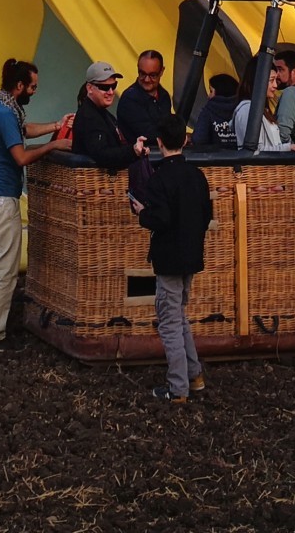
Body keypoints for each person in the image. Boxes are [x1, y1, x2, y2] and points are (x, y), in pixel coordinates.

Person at [0, 59, 73, 352]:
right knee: (6, 269)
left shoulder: (4, 107)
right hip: (1, 201)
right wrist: (53, 145)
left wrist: (56, 126)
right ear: (19, 86)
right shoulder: (5, 113)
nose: (34, 91)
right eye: (32, 86)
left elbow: (24, 130)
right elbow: (21, 157)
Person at [133, 118, 215, 400]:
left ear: (159, 143)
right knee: (179, 316)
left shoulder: (158, 179)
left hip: (168, 258)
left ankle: (177, 388)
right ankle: (195, 376)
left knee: (168, 321)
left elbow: (161, 218)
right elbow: (206, 215)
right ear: (184, 140)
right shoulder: (197, 175)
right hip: (192, 254)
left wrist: (142, 212)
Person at [72, 62, 146, 171]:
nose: (111, 92)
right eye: (104, 87)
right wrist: (133, 150)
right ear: (90, 88)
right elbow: (102, 155)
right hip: (95, 184)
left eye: (113, 86)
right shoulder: (89, 117)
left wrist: (137, 148)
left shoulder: (103, 114)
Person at [117, 49, 177, 146]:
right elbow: (148, 135)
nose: (147, 79)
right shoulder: (129, 99)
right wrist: (177, 136)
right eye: (142, 73)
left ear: (162, 71)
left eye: (153, 75)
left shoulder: (164, 96)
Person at [188, 73, 241, 148]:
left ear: (219, 92)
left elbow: (199, 139)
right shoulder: (243, 109)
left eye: (211, 91)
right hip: (241, 158)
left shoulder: (208, 111)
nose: (208, 96)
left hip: (214, 157)